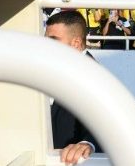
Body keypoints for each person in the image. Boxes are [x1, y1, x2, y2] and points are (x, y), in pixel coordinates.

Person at [44, 10, 100, 165]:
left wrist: (88, 144)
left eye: (53, 40)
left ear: (75, 43)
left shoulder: (95, 76)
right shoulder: (58, 67)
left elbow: (104, 119)